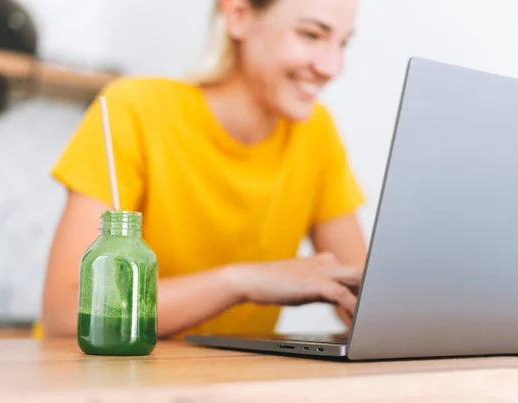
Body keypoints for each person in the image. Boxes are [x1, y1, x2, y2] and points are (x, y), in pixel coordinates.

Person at [41, 0, 366, 339]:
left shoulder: (317, 133)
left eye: (343, 43)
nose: (333, 66)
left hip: (230, 383)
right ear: (238, 16)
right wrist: (241, 282)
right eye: (311, 34)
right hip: (108, 382)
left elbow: (363, 302)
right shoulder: (135, 110)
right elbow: (66, 314)